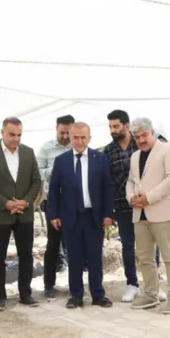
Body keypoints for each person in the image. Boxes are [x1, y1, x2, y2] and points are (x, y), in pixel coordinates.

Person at [47, 122, 114, 309]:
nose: (79, 141)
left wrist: (109, 214)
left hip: (94, 217)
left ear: (89, 138)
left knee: (95, 258)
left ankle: (98, 295)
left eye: (83, 137)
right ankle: (76, 295)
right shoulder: (61, 161)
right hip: (71, 218)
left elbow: (108, 188)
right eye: (76, 137)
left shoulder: (100, 159)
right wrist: (54, 215)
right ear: (70, 137)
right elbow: (54, 190)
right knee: (74, 258)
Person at [0, 117, 42, 311]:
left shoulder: (29, 153)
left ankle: (25, 294)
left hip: (24, 213)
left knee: (26, 254)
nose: (16, 139)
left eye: (19, 135)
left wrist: (26, 201)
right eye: (12, 134)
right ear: (2, 133)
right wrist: (5, 203)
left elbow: (36, 182)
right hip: (0, 214)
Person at [126, 117, 170, 314]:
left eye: (144, 135)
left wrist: (148, 198)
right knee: (144, 258)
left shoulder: (169, 150)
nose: (141, 140)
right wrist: (131, 197)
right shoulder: (134, 157)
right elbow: (131, 181)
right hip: (139, 213)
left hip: (162, 211)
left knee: (169, 256)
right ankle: (150, 294)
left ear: (152, 133)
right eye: (137, 137)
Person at [104, 109, 141, 302]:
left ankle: (154, 283)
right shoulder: (108, 150)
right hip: (122, 206)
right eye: (110, 126)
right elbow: (107, 182)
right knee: (128, 246)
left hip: (145, 204)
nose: (112, 130)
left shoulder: (141, 143)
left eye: (116, 126)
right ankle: (132, 284)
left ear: (127, 125)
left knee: (151, 246)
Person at [36, 115, 74, 298]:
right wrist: (59, 168)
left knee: (74, 244)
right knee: (53, 245)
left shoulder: (78, 146)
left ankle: (75, 284)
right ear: (56, 129)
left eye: (69, 132)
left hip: (76, 203)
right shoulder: (46, 148)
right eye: (62, 132)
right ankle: (49, 285)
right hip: (54, 202)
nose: (66, 136)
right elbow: (38, 172)